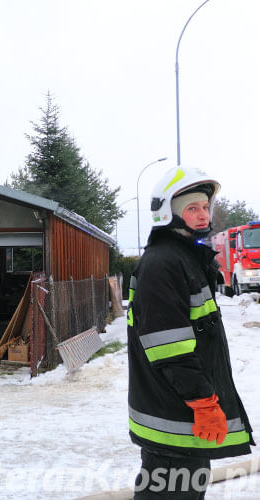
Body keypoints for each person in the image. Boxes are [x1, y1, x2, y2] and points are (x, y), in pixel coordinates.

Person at [127, 166, 254, 498]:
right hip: (174, 418)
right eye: (192, 208)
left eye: (205, 206)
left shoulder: (185, 257)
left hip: (183, 417)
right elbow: (169, 346)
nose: (202, 214)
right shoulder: (163, 263)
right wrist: (203, 403)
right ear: (168, 213)